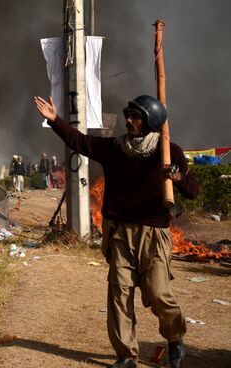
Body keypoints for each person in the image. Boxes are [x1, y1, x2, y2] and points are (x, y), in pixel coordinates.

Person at [34, 95, 197, 368]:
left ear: (151, 121)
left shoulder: (169, 151)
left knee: (158, 294)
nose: (129, 120)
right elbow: (81, 142)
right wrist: (55, 120)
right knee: (119, 294)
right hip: (120, 232)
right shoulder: (115, 148)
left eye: (135, 116)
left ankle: (175, 338)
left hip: (154, 234)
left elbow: (192, 192)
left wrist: (178, 177)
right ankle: (126, 354)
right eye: (128, 115)